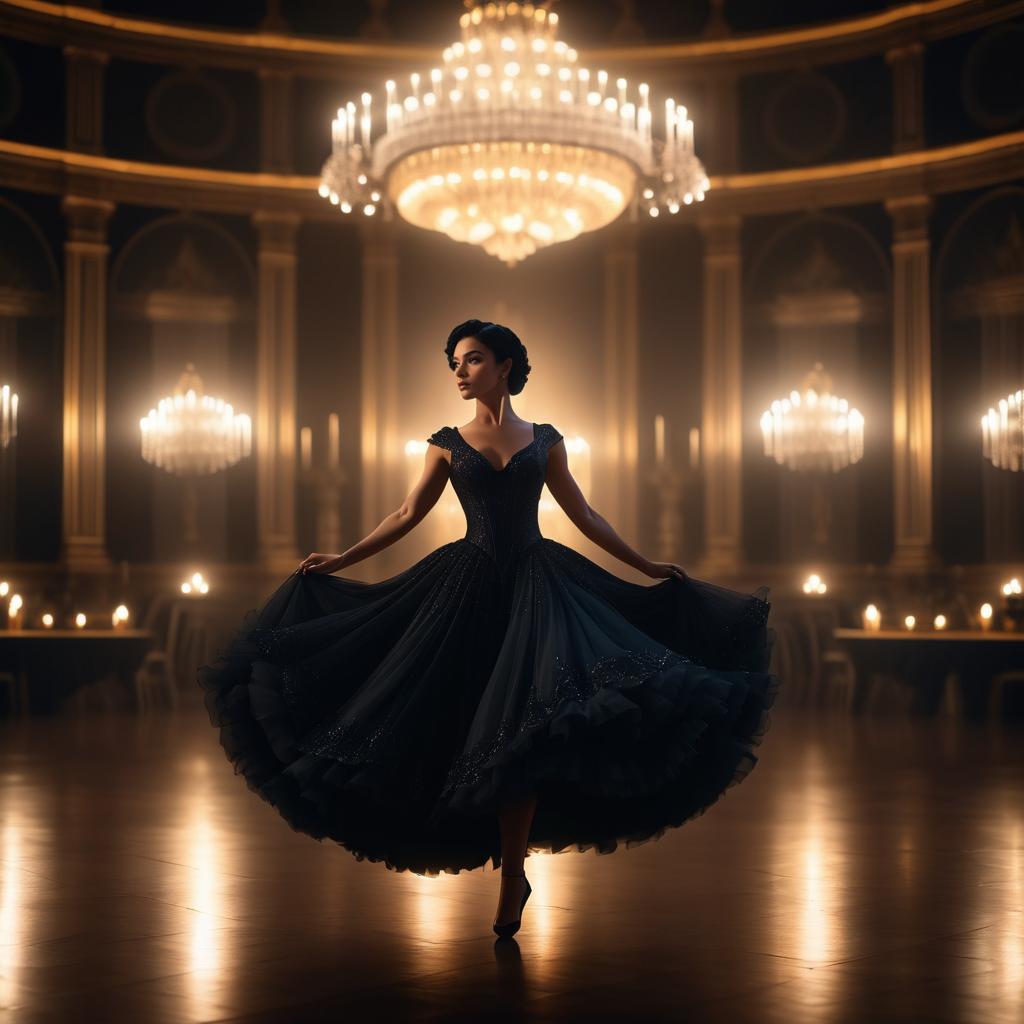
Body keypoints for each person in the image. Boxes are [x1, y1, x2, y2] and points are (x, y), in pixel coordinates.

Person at [198, 319, 778, 941]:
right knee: (459, 721)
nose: (459, 370)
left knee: (523, 729)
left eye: (471, 360)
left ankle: (511, 875)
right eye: (454, 361)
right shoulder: (447, 442)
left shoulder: (546, 439)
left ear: (504, 366)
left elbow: (581, 513)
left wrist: (644, 566)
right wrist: (340, 561)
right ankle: (502, 864)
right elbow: (405, 513)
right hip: (466, 587)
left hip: (539, 587)